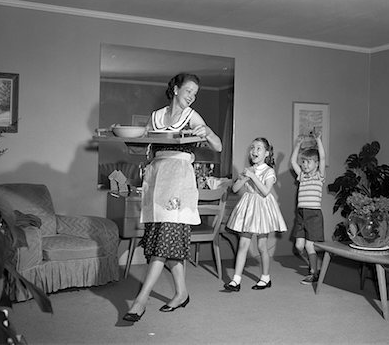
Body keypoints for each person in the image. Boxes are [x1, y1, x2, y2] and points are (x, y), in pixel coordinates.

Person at [123, 73, 222, 322]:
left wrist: (207, 131)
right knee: (164, 240)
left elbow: (218, 146)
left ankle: (140, 300)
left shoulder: (192, 116)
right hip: (156, 181)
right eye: (189, 91)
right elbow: (143, 146)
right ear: (176, 89)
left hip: (179, 183)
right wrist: (131, 141)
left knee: (162, 243)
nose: (192, 97)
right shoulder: (156, 116)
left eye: (195, 93)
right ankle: (181, 294)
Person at [224, 138, 287, 292]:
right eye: (252, 147)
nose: (254, 151)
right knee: (243, 244)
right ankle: (236, 280)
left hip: (262, 209)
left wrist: (253, 177)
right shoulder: (249, 169)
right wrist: (245, 177)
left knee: (261, 245)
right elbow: (235, 188)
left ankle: (265, 277)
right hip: (248, 207)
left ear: (266, 153)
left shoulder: (269, 171)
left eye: (259, 148)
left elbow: (265, 192)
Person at [290, 132, 326, 285]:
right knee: (299, 246)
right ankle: (314, 265)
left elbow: (323, 157)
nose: (304, 165)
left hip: (313, 214)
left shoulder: (319, 176)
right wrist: (298, 145)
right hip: (301, 214)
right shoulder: (302, 176)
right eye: (303, 162)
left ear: (316, 164)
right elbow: (293, 162)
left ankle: (314, 272)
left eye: (308, 162)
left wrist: (318, 140)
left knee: (309, 245)